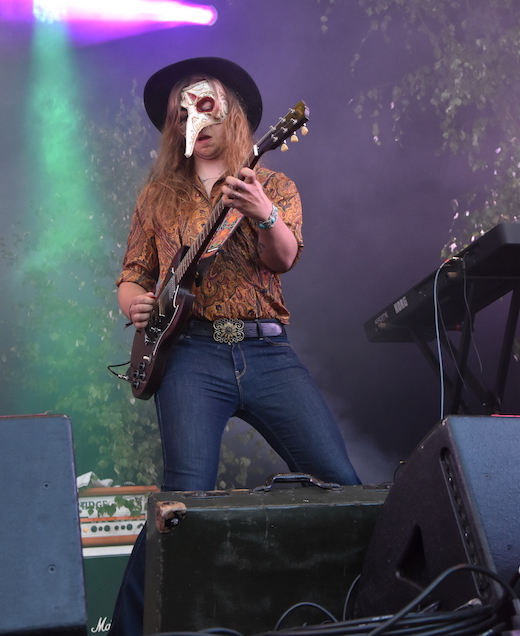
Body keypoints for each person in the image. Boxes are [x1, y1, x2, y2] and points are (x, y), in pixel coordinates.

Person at [111, 57, 359, 636]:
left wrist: (263, 214)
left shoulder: (272, 184)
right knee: (183, 503)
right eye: (182, 112)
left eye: (205, 106)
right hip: (191, 356)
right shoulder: (158, 197)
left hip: (266, 350)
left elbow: (283, 258)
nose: (192, 119)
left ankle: (361, 615)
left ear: (233, 115)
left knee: (338, 482)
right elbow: (132, 275)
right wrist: (136, 306)